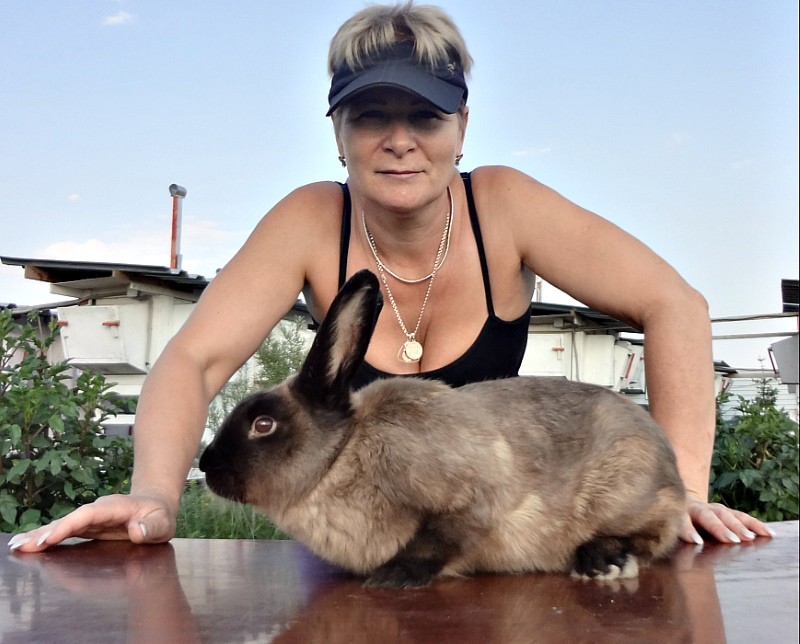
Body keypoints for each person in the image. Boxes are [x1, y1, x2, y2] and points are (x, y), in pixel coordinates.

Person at [8, 1, 773, 554]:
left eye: (427, 116)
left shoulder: (503, 206)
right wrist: (153, 496)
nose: (400, 141)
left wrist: (683, 495)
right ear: (337, 132)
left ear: (462, 127)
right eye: (372, 115)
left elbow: (676, 305)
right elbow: (194, 358)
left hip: (497, 547)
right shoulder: (312, 220)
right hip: (361, 552)